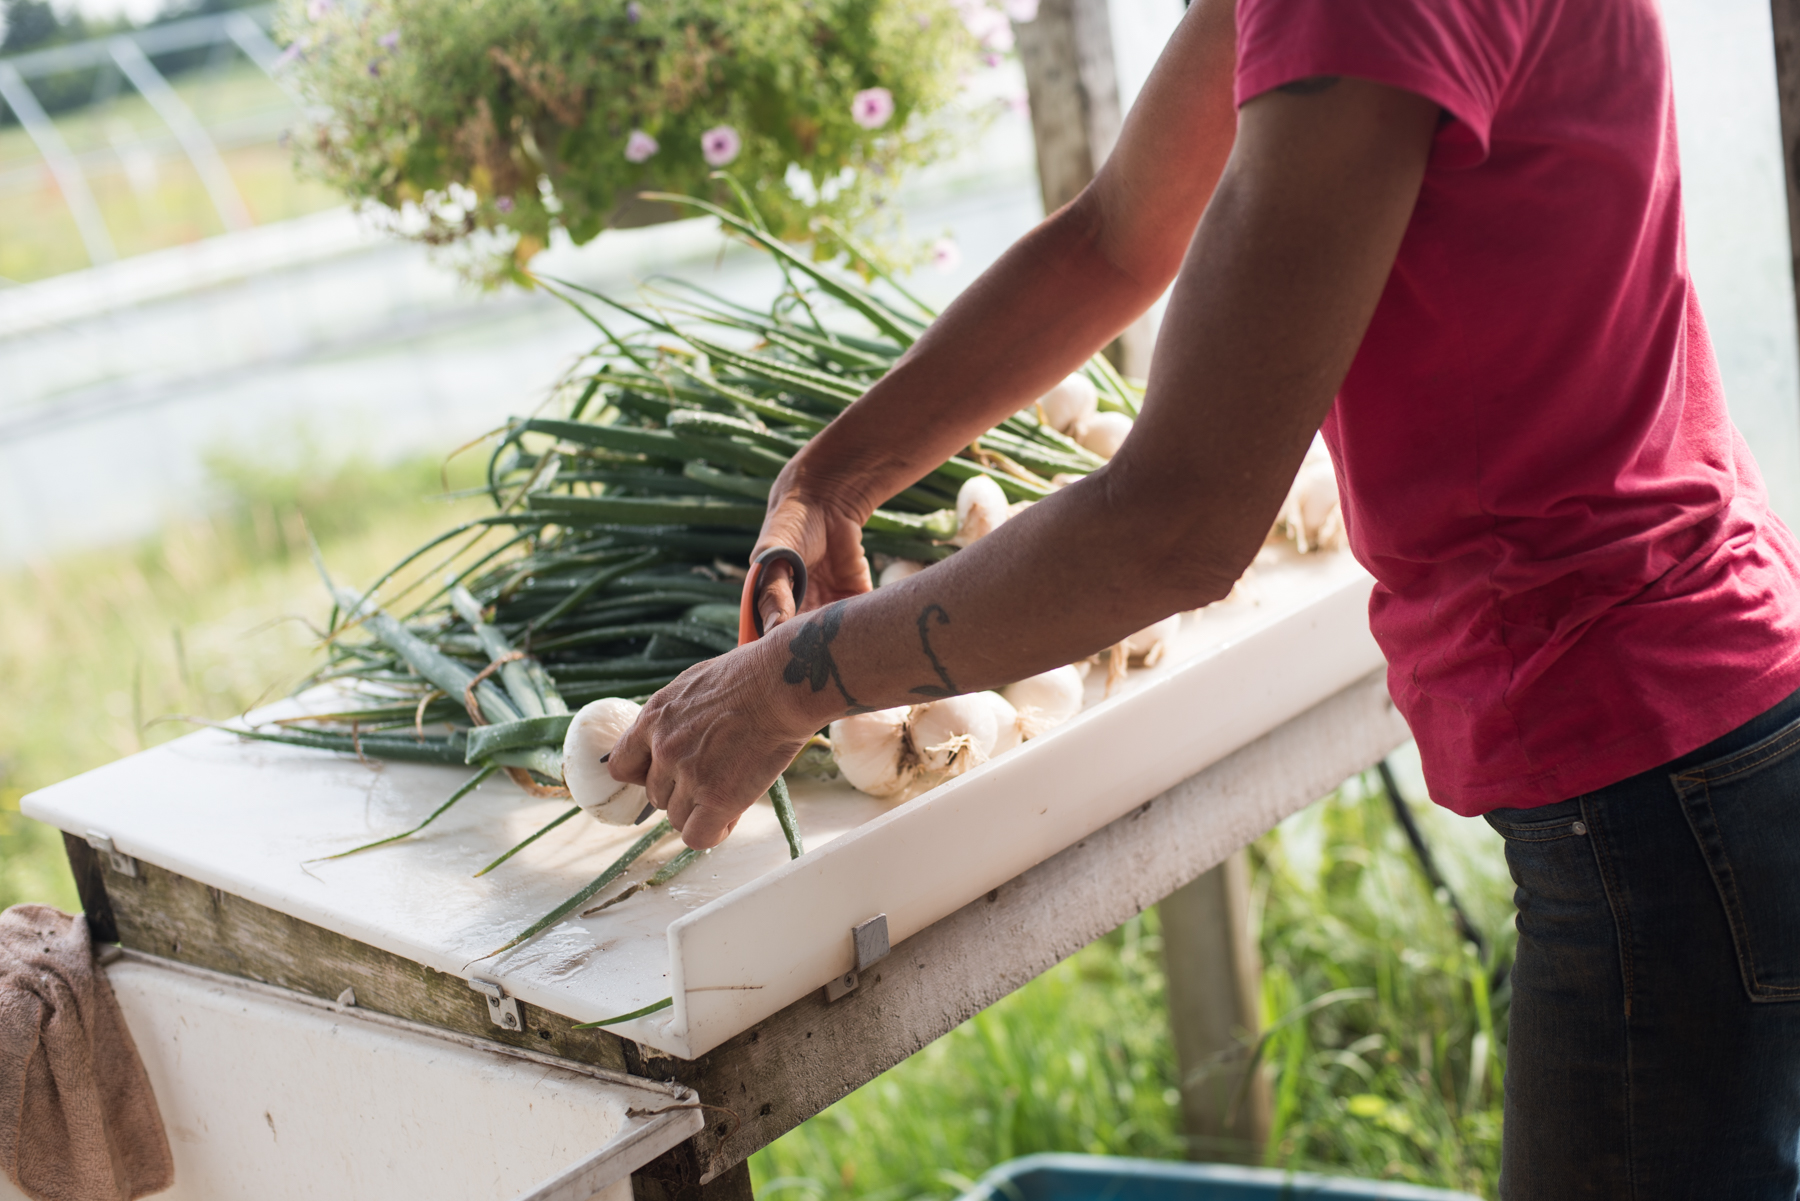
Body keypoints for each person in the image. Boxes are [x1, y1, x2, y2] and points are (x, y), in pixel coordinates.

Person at [608, 0, 1800, 1193]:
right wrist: (829, 480)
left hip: (1657, 768)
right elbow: (1118, 238)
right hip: (1681, 730)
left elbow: (1174, 526)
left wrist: (783, 686)